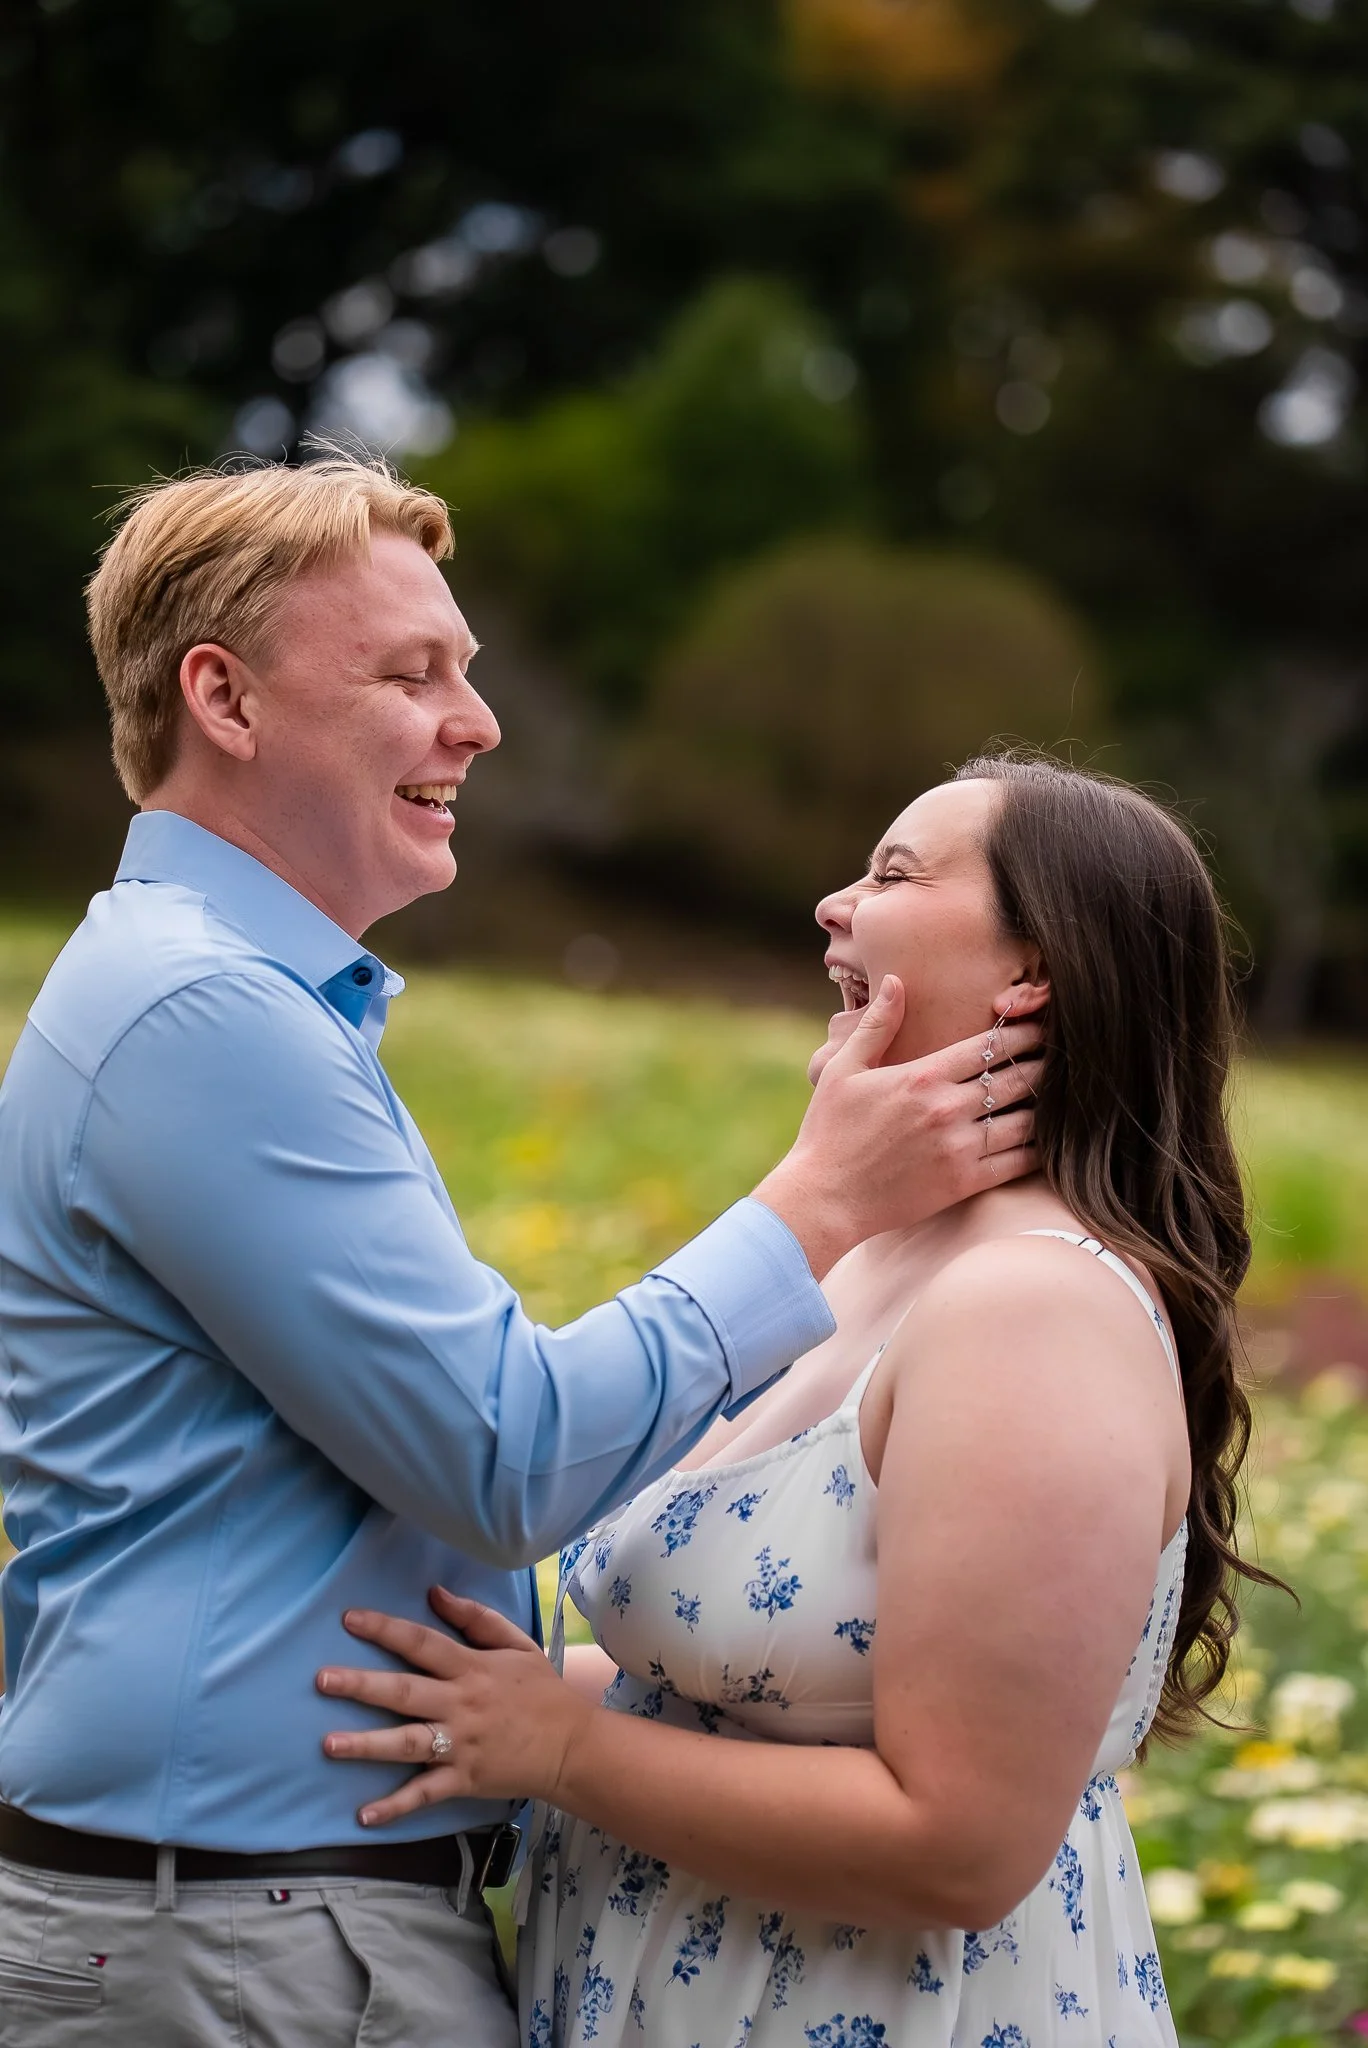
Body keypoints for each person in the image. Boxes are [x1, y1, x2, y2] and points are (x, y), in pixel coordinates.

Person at [0, 455, 1038, 2048]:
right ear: (225, 697)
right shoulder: (205, 1014)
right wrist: (824, 1199)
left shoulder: (219, 997)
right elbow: (503, 1452)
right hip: (239, 1940)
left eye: (469, 673)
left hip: (234, 1916)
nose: (476, 722)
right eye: (413, 674)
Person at [319, 756, 1268, 2048]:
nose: (830, 905)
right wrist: (480, 1687)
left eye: (891, 875)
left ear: (1033, 970)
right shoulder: (874, 1255)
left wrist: (557, 1750)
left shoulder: (1033, 1311)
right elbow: (765, 1687)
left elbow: (963, 1845)